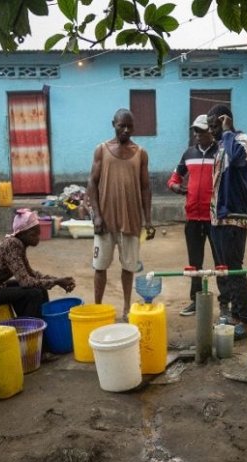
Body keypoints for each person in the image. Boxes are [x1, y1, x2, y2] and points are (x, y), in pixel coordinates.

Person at [87, 108, 155, 319]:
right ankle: (98, 307)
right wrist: (96, 215)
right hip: (105, 222)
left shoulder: (141, 153)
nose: (126, 130)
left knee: (129, 267)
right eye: (121, 125)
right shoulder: (102, 149)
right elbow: (92, 182)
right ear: (113, 124)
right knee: (100, 267)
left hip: (131, 220)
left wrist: (148, 221)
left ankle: (126, 308)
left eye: (130, 126)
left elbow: (145, 187)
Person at [0, 209, 76, 318]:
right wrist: (55, 282)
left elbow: (31, 274)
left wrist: (57, 280)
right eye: (34, 234)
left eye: (38, 234)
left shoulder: (19, 245)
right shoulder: (13, 244)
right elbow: (26, 282)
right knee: (33, 294)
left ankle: (43, 330)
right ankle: (29, 331)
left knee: (40, 289)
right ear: (22, 233)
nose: (37, 238)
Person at [207, 104, 247, 340]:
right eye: (210, 126)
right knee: (225, 269)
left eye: (216, 125)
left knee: (235, 268)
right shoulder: (220, 146)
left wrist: (227, 132)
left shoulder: (240, 140)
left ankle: (246, 319)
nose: (212, 131)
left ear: (227, 121)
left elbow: (237, 160)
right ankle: (235, 313)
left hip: (235, 215)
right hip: (219, 216)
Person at [167, 114, 219, 316]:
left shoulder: (220, 153)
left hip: (215, 219)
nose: (197, 135)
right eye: (195, 131)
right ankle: (195, 301)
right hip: (193, 218)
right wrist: (176, 188)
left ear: (211, 132)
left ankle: (225, 304)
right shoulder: (188, 154)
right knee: (194, 263)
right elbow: (173, 178)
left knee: (220, 263)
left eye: (201, 131)